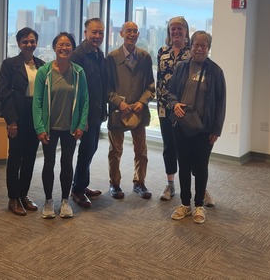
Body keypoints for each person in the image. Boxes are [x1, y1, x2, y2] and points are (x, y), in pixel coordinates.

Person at [166, 31, 226, 224]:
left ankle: (199, 205)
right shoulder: (182, 67)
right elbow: (170, 92)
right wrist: (174, 104)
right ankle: (185, 204)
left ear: (208, 48)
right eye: (196, 45)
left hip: (204, 128)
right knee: (183, 165)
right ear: (190, 46)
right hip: (181, 126)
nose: (199, 49)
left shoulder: (215, 71)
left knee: (200, 167)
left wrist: (216, 130)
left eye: (204, 46)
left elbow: (220, 103)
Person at [156, 17, 216, 207]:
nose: (176, 32)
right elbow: (159, 80)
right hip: (166, 108)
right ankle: (170, 184)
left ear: (186, 31)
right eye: (172, 29)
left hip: (188, 112)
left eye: (180, 29)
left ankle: (200, 188)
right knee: (170, 148)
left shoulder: (191, 53)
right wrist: (163, 103)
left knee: (193, 151)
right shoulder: (162, 52)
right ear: (169, 32)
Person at [33, 32, 89, 219]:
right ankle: (48, 201)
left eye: (68, 45)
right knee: (48, 164)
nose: (64, 48)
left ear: (72, 48)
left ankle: (65, 200)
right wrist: (40, 128)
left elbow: (84, 100)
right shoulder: (44, 72)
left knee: (67, 163)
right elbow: (37, 102)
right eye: (60, 45)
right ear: (54, 47)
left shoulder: (79, 72)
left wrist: (81, 124)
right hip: (50, 128)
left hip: (70, 128)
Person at [0, 27, 45, 216]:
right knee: (15, 158)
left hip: (35, 117)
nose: (29, 44)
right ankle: (13, 198)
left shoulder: (41, 65)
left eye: (32, 41)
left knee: (30, 158)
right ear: (19, 44)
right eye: (25, 41)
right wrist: (11, 121)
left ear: (36, 43)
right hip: (17, 116)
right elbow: (3, 93)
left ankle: (24, 194)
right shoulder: (10, 64)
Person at [106, 21, 155, 199]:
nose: (132, 34)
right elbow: (106, 87)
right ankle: (114, 184)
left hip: (139, 111)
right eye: (128, 31)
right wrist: (119, 102)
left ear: (138, 34)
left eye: (135, 31)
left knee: (141, 151)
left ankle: (139, 183)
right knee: (115, 151)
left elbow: (151, 86)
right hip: (119, 111)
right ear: (121, 33)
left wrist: (143, 101)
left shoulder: (145, 57)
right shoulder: (111, 58)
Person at [70, 18, 108, 208]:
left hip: (97, 112)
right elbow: (75, 89)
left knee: (90, 149)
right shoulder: (77, 56)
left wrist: (104, 111)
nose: (98, 36)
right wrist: (80, 117)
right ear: (85, 33)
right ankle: (77, 190)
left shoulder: (99, 54)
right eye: (94, 32)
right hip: (84, 115)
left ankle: (82, 185)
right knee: (85, 151)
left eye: (100, 32)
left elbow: (101, 84)